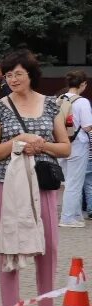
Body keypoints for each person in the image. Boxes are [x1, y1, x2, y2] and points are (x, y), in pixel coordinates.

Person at [0, 50, 70, 306]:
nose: (12, 79)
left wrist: (41, 146)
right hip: (8, 184)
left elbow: (65, 147)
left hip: (43, 183)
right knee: (11, 245)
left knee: (50, 246)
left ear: (31, 74)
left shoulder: (51, 105)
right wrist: (18, 141)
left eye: (18, 73)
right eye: (8, 75)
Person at [58, 70, 91, 227]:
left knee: (70, 182)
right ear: (83, 84)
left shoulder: (59, 99)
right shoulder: (83, 102)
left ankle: (76, 215)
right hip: (78, 145)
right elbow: (87, 126)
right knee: (75, 183)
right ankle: (68, 218)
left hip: (61, 144)